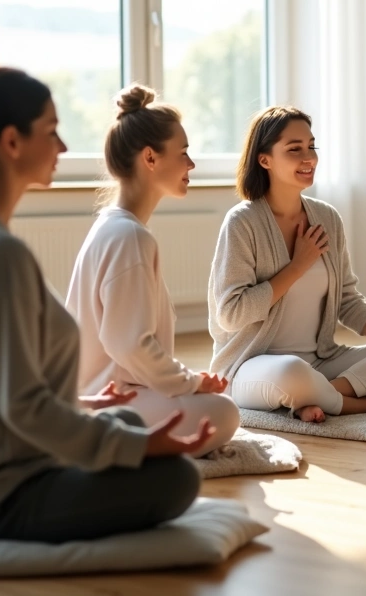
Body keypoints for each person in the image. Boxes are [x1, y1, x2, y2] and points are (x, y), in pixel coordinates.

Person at [0, 66, 210, 543]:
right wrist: (145, 444)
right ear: (12, 142)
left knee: (123, 419)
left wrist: (85, 404)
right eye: (51, 131)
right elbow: (25, 410)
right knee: (178, 478)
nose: (63, 147)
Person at [209, 106, 366, 422]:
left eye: (311, 146)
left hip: (320, 362)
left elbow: (348, 304)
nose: (308, 157)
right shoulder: (243, 222)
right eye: (294, 149)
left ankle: (322, 394)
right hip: (252, 367)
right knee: (291, 372)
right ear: (264, 159)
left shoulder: (327, 219)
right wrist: (297, 266)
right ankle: (364, 403)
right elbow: (231, 314)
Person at [66, 84, 240, 457]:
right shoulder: (128, 235)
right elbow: (128, 344)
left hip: (111, 393)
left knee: (218, 405)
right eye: (184, 153)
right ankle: (118, 447)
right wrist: (189, 383)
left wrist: (186, 383)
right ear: (150, 158)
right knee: (225, 413)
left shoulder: (115, 227)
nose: (191, 165)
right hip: (113, 402)